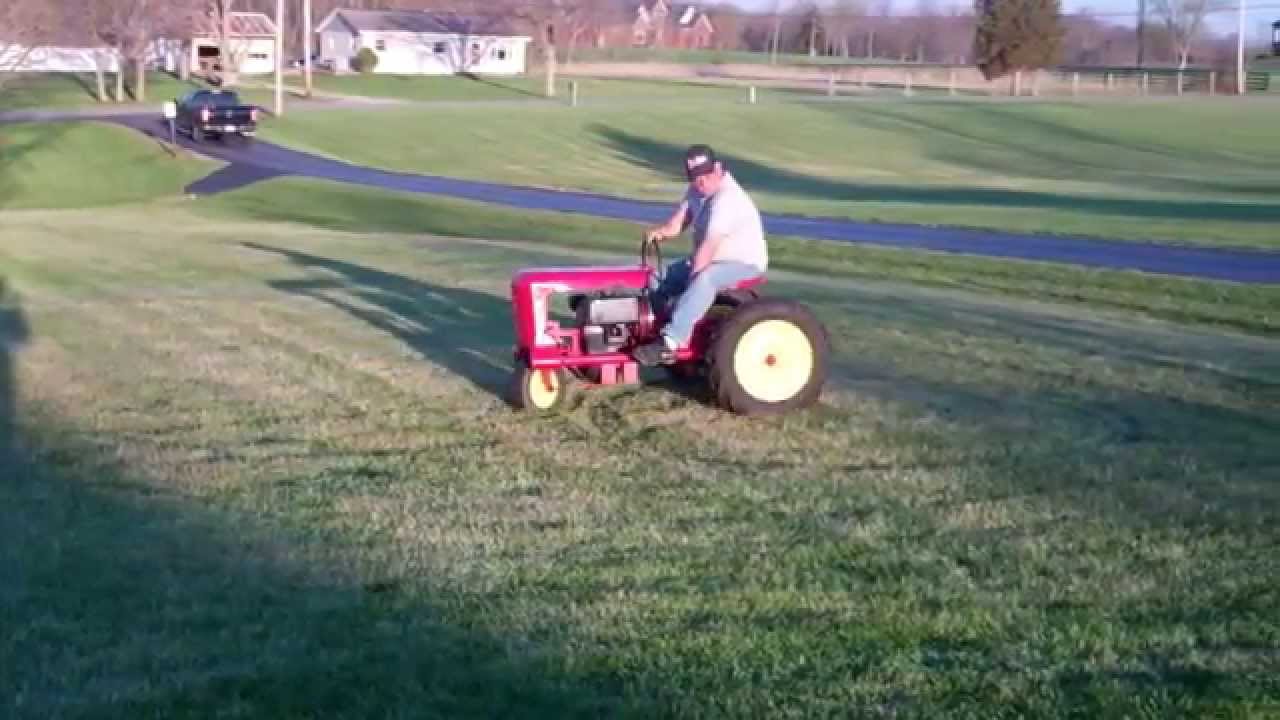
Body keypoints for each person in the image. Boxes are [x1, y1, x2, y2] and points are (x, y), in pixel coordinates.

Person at [632, 144, 768, 367]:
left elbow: (708, 246)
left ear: (718, 169)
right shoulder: (696, 191)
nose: (701, 182)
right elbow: (678, 223)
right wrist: (659, 233)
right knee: (656, 279)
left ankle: (671, 342)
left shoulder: (728, 199)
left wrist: (691, 283)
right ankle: (653, 329)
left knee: (705, 278)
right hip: (713, 258)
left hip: (743, 262)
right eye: (695, 177)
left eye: (705, 175)